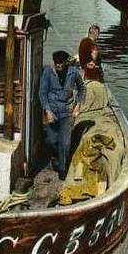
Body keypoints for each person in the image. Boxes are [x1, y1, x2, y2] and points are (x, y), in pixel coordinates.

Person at [38, 50, 85, 179]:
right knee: (51, 140)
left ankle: (62, 170)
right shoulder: (48, 72)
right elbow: (42, 92)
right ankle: (56, 158)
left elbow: (81, 89)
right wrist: (47, 110)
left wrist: (78, 105)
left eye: (60, 64)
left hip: (67, 111)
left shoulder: (74, 72)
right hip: (51, 110)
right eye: (56, 63)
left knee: (64, 142)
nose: (58, 66)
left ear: (65, 63)